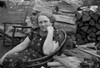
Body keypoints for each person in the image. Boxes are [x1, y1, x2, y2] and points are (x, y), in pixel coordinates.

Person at [0, 11, 66, 68]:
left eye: (45, 21)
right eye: (40, 22)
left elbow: (47, 52)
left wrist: (50, 32)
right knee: (9, 57)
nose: (43, 24)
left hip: (40, 61)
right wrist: (5, 55)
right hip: (27, 55)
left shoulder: (58, 34)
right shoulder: (35, 31)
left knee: (12, 59)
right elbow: (22, 45)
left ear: (51, 22)